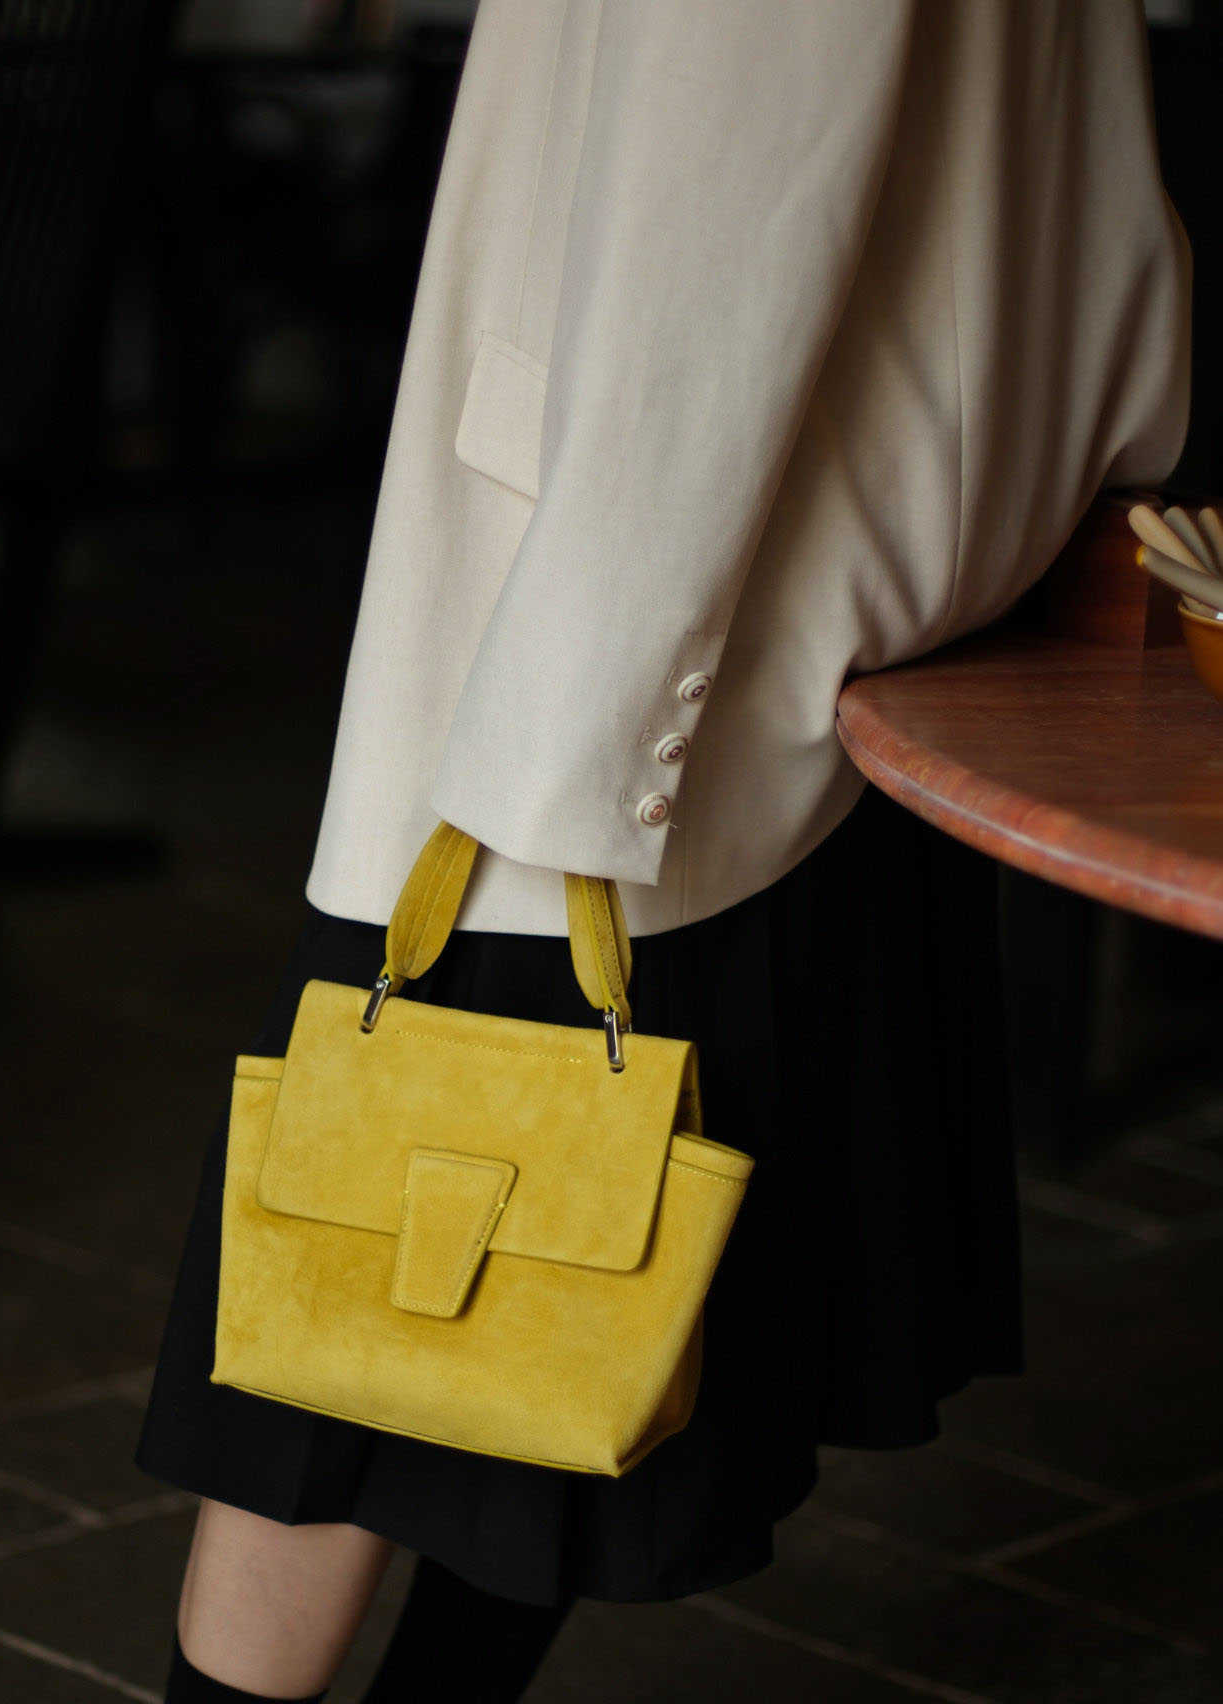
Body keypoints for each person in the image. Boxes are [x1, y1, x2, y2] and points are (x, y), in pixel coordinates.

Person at [137, 2, 1191, 1699]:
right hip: (818, 598)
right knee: (551, 1328)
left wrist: (570, 731)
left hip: (626, 640)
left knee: (351, 1344)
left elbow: (727, 211)